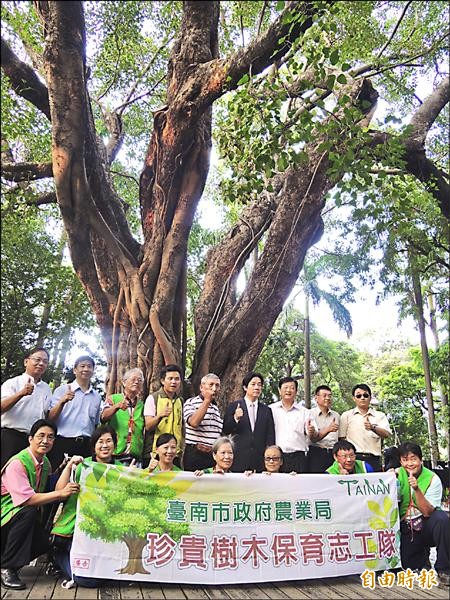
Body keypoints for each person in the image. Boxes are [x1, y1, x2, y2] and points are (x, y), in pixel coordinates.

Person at [1, 419, 79, 590]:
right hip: (5, 518)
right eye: (41, 436)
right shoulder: (17, 463)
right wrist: (60, 493)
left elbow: (50, 486)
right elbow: (27, 500)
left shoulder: (45, 464)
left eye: (50, 437)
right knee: (28, 511)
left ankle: (9, 563)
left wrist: (66, 468)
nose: (45, 441)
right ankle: (7, 568)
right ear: (30, 439)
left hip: (16, 521)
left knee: (45, 541)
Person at [50, 425, 120, 588]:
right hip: (76, 528)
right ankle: (58, 555)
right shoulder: (83, 466)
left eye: (109, 441)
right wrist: (69, 467)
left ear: (115, 445)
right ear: (93, 446)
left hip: (106, 530)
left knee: (112, 573)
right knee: (87, 580)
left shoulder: (121, 470)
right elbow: (59, 491)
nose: (104, 445)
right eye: (100, 441)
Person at [397, 442, 449, 586]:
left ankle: (444, 569)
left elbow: (427, 512)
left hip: (426, 525)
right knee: (411, 566)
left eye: (413, 458)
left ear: (420, 459)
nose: (410, 463)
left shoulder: (433, 479)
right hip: (407, 526)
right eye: (405, 459)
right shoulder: (395, 475)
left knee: (442, 520)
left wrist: (416, 489)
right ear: (400, 461)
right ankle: (422, 560)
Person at [47, 355, 102, 471]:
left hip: (86, 445)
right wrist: (62, 401)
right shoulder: (62, 390)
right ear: (75, 370)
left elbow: (95, 423)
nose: (86, 369)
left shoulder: (97, 396)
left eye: (89, 366)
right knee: (57, 478)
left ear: (93, 370)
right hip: (62, 442)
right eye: (82, 366)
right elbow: (50, 418)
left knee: (80, 481)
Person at [1, 347, 53, 469]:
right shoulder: (13, 383)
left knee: (28, 474)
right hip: (10, 437)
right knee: (5, 473)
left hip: (33, 441)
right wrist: (21, 393)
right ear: (26, 362)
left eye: (45, 361)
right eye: (37, 359)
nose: (41, 363)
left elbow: (46, 415)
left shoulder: (46, 389)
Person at [222, 372, 275, 473]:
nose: (257, 387)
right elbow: (225, 429)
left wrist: (269, 458)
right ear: (245, 387)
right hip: (239, 459)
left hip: (259, 461)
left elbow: (270, 435)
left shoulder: (266, 410)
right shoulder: (234, 406)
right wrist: (235, 418)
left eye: (259, 385)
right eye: (253, 384)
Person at [269, 377, 318, 473]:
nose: (288, 390)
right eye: (285, 387)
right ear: (279, 390)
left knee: (298, 487)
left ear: (296, 391)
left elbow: (313, 435)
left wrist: (311, 431)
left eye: (292, 388)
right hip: (276, 457)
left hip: (298, 457)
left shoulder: (305, 412)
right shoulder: (270, 410)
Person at [339, 384, 391, 472]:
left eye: (365, 395)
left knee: (374, 485)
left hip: (374, 458)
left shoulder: (380, 415)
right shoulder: (347, 415)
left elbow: (387, 434)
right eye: (358, 396)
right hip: (354, 459)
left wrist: (372, 427)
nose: (362, 398)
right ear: (354, 398)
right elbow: (342, 439)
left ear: (370, 398)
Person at [101, 368, 145, 466]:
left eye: (140, 380)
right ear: (124, 383)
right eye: (133, 379)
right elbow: (103, 417)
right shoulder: (113, 399)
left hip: (135, 456)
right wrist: (117, 406)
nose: (136, 382)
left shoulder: (141, 404)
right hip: (115, 454)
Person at [143, 365, 184, 468]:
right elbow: (148, 426)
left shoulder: (180, 401)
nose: (174, 382)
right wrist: (160, 415)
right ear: (162, 381)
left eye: (177, 379)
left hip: (174, 453)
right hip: (155, 453)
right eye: (170, 378)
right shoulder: (153, 398)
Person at [183, 373, 223, 471]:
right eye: (211, 385)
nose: (214, 388)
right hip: (196, 454)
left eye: (217, 385)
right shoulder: (191, 402)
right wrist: (206, 401)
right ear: (201, 387)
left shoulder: (215, 408)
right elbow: (193, 422)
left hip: (211, 455)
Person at [308, 385, 340, 473]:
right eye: (324, 395)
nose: (328, 398)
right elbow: (313, 439)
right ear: (316, 398)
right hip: (316, 453)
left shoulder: (336, 415)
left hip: (333, 454)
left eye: (330, 396)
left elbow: (340, 438)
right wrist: (328, 429)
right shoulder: (310, 414)